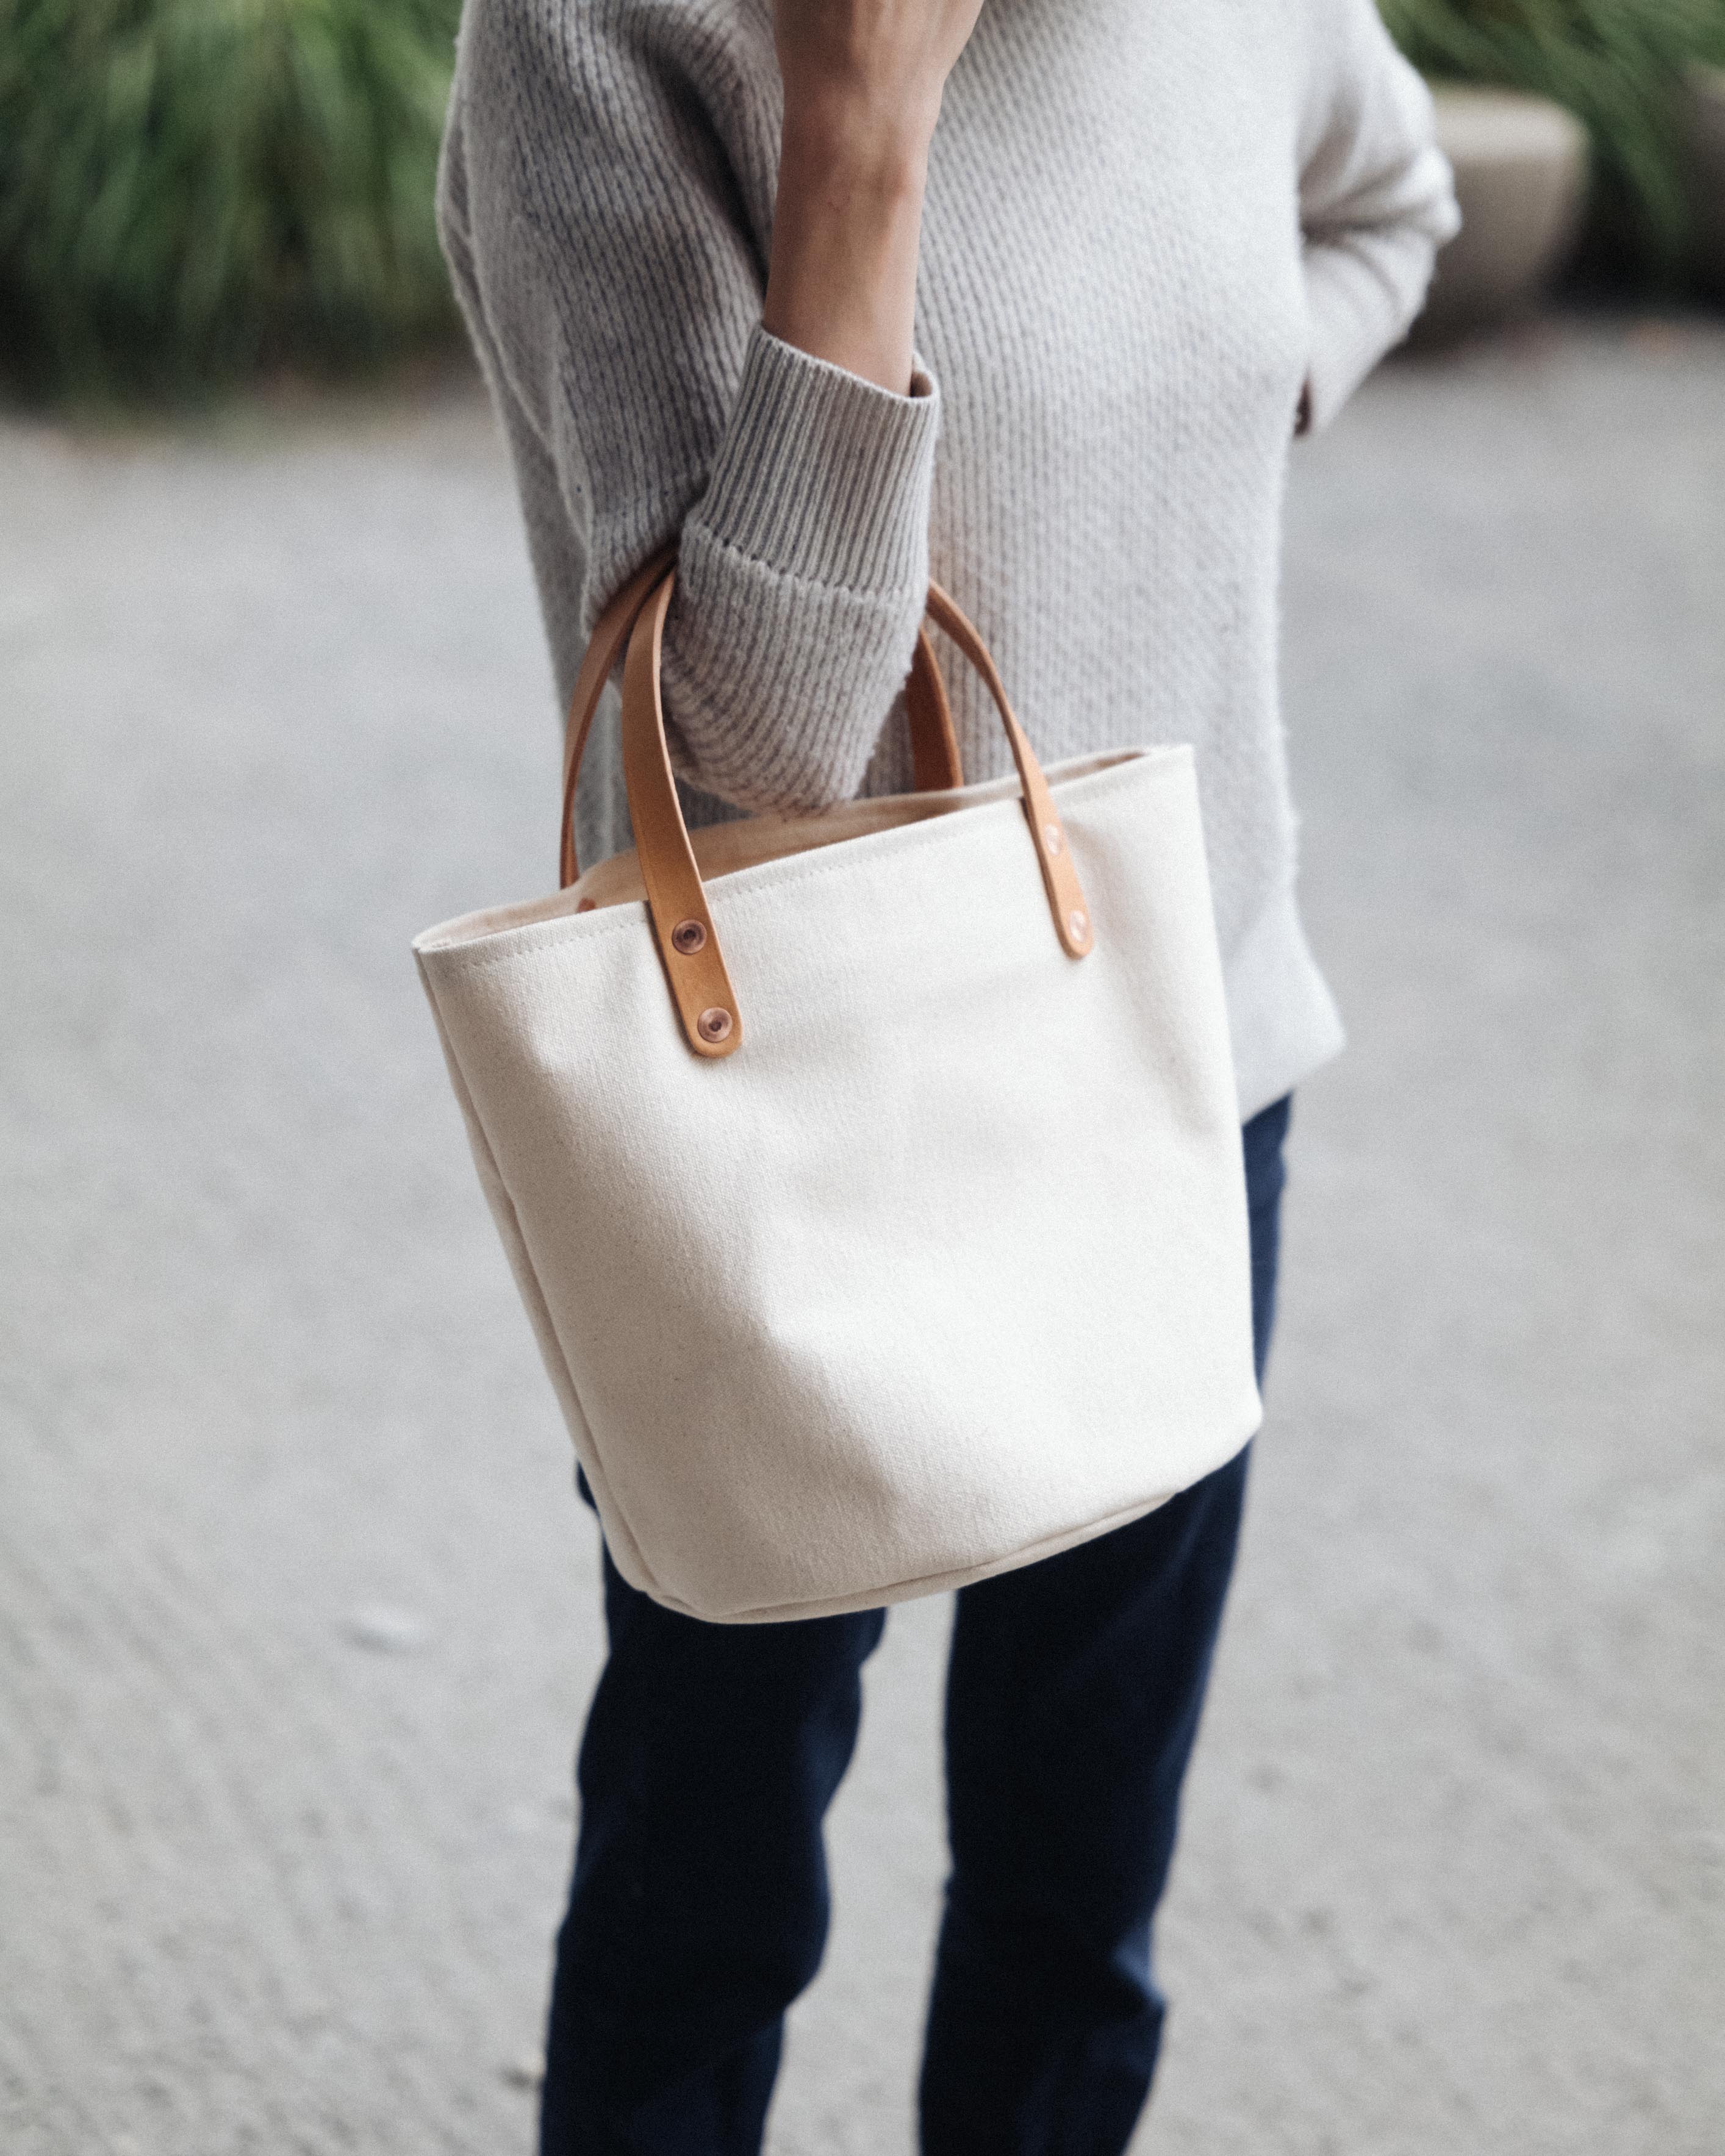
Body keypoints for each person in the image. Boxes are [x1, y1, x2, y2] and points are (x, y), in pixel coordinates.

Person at [437, 2, 1457, 2148]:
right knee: (707, 1886)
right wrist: (861, 132)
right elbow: (753, 755)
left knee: (1076, 1898)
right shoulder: (595, 37)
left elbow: (1392, 200)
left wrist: (1210, 416)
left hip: (1182, 1065)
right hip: (780, 1115)